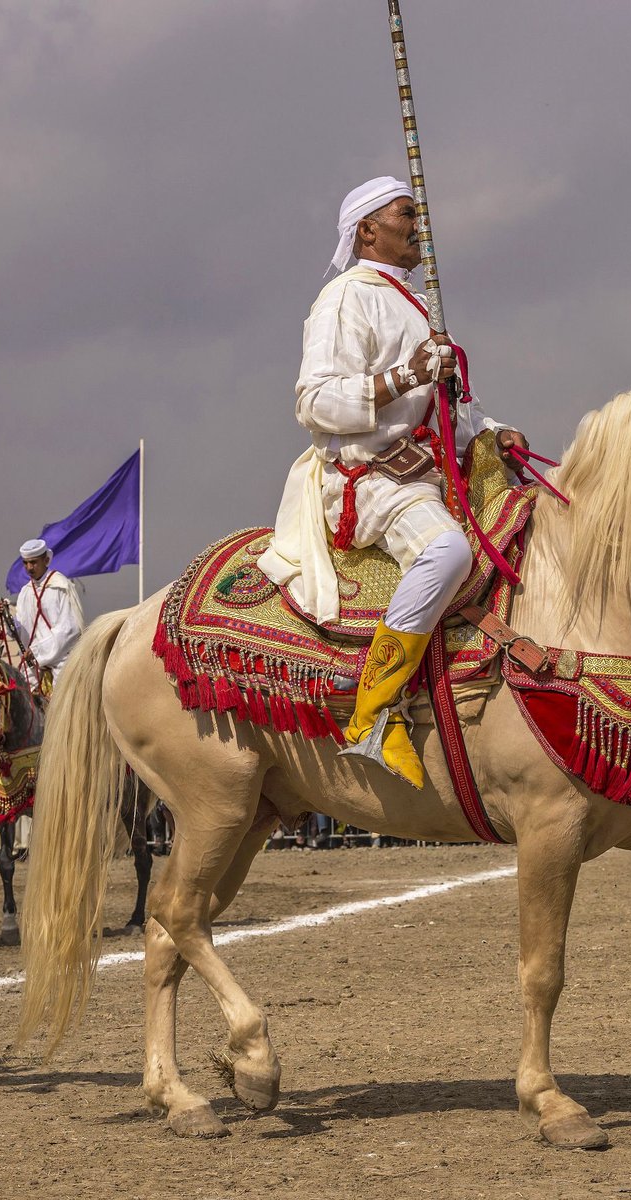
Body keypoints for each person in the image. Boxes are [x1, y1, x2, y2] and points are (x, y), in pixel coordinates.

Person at [257, 176, 528, 787]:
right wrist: (401, 376)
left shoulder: (417, 304)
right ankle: (373, 708)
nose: (418, 226)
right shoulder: (344, 298)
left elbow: (460, 412)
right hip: (371, 473)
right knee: (447, 550)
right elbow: (315, 401)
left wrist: (499, 430)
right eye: (408, 215)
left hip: (435, 474)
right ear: (368, 231)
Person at [15, 538, 85, 688]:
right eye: (25, 563)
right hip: (32, 666)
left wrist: (38, 651)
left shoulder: (61, 586)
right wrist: (9, 624)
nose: (29, 567)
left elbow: (70, 628)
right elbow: (22, 630)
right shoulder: (25, 593)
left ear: (46, 560)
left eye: (33, 562)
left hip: (61, 662)